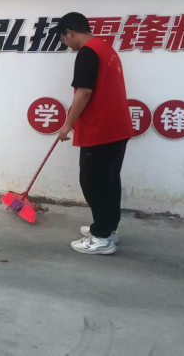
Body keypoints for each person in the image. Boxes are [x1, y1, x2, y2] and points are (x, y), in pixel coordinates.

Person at [55, 13, 134, 255]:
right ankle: (108, 228)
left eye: (63, 39)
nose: (66, 44)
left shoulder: (87, 53)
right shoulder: (105, 49)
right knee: (109, 181)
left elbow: (84, 92)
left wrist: (67, 125)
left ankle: (101, 238)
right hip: (117, 127)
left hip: (101, 130)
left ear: (70, 32)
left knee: (93, 182)